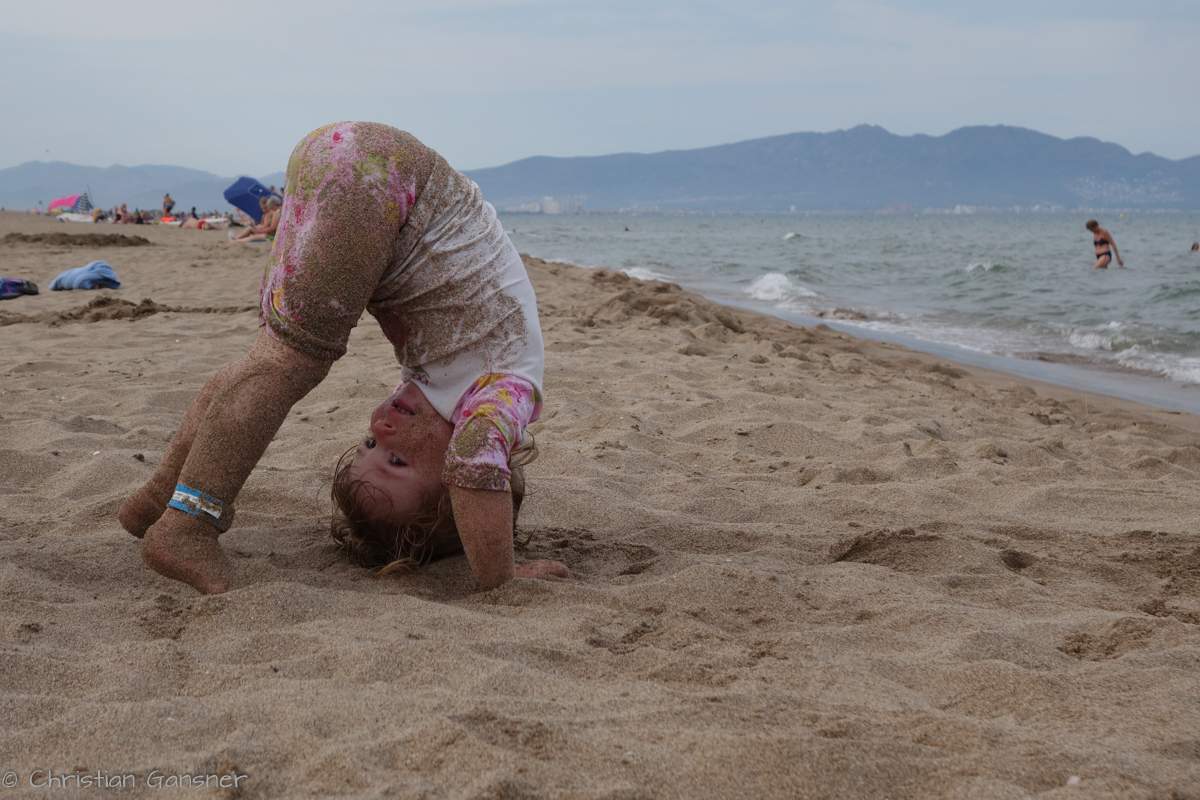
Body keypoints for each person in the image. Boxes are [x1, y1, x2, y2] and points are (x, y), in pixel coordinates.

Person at [117, 121, 567, 594]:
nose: (380, 430)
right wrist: (504, 578)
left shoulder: (438, 388)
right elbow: (474, 466)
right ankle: (187, 526)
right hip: (383, 180)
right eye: (398, 461)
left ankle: (156, 499)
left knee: (268, 359)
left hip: (351, 159)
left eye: (370, 447)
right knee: (290, 362)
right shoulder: (504, 395)